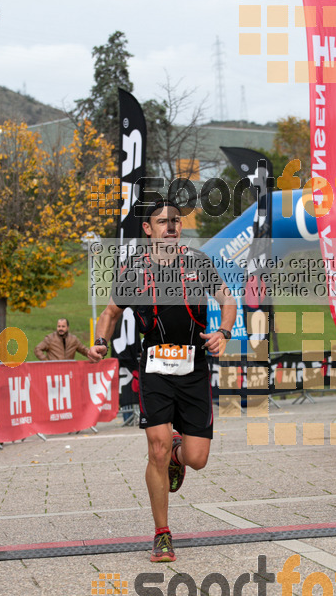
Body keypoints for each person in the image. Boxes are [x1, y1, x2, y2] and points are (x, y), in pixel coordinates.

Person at [87, 198, 237, 562]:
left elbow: (227, 300)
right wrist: (99, 342)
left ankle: (177, 453)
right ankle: (162, 533)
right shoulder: (133, 270)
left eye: (175, 221)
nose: (170, 226)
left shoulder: (198, 263)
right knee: (154, 448)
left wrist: (225, 331)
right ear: (148, 229)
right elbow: (110, 312)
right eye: (162, 221)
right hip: (153, 366)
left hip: (194, 365)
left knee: (197, 459)